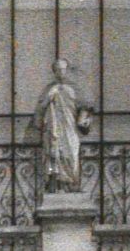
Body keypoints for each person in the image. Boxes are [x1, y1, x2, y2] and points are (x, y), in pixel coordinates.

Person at [29, 57, 94, 193]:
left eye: (63, 69)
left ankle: (72, 184)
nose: (61, 72)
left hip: (70, 127)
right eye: (58, 70)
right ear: (54, 72)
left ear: (67, 70)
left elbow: (85, 107)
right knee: (55, 154)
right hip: (54, 128)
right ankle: (57, 185)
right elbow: (40, 109)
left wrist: (84, 119)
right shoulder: (49, 89)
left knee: (71, 153)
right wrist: (49, 97)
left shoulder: (75, 89)